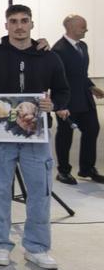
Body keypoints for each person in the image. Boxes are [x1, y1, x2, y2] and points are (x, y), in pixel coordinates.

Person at [0, 4, 70, 269]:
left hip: (36, 135)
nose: (19, 26)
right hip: (1, 135)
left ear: (32, 24)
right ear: (5, 25)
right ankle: (0, 244)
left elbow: (63, 91)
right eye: (13, 21)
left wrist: (54, 104)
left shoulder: (49, 57)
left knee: (40, 192)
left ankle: (37, 247)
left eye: (24, 21)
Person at [52, 14, 104, 183]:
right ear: (71, 28)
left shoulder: (83, 46)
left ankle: (87, 168)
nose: (86, 30)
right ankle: (64, 171)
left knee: (92, 129)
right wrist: (59, 105)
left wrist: (91, 86)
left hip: (85, 99)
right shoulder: (58, 50)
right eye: (83, 27)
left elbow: (80, 74)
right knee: (65, 135)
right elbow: (57, 79)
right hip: (67, 102)